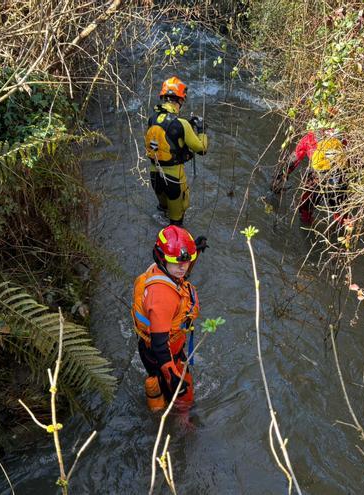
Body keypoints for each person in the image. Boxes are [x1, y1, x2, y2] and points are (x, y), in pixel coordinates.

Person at [131, 225, 208, 412]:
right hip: (163, 357)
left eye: (187, 260)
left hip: (156, 350)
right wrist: (173, 376)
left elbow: (180, 264)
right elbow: (159, 344)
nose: (183, 266)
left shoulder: (164, 270)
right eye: (177, 262)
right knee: (182, 401)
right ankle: (181, 425)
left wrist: (194, 250)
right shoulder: (162, 297)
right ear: (162, 258)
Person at [145, 76, 208, 226]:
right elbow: (202, 149)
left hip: (155, 176)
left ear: (164, 97)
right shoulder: (182, 124)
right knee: (176, 224)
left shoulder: (152, 118)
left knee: (161, 213)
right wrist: (202, 130)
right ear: (180, 99)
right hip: (174, 180)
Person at [270, 128, 349, 225]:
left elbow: (294, 160)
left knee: (305, 210)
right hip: (339, 179)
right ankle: (345, 233)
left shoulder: (310, 138)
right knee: (342, 215)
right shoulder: (345, 137)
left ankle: (308, 227)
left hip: (317, 178)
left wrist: (279, 178)